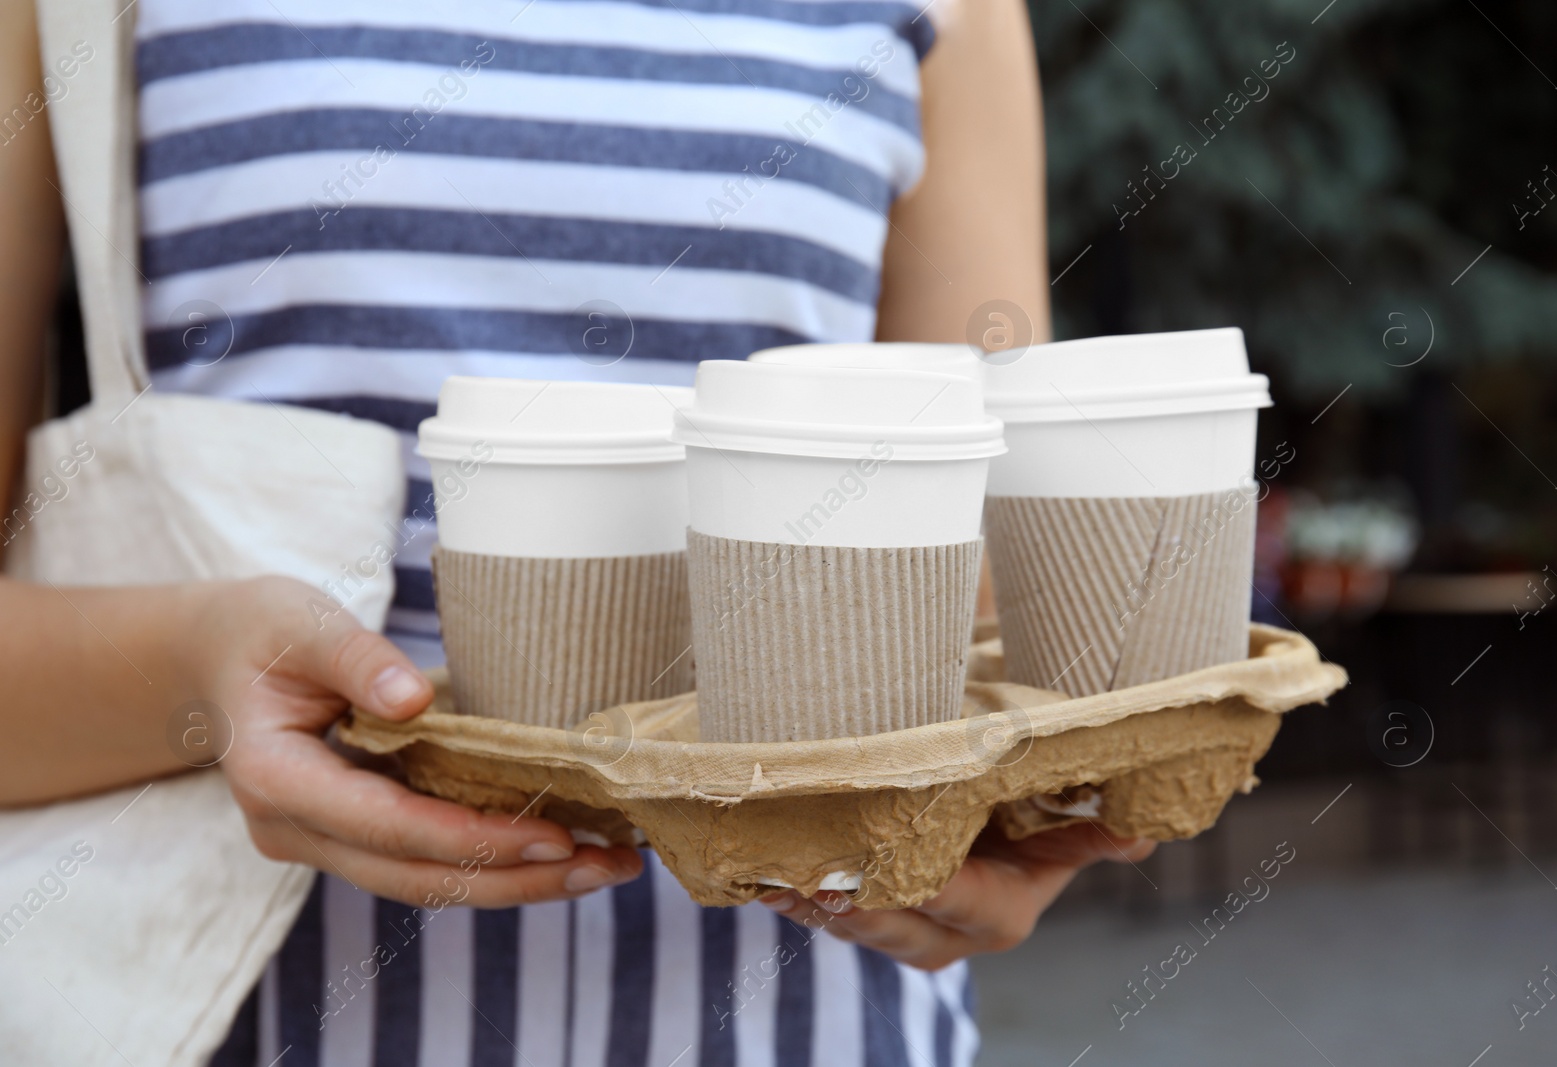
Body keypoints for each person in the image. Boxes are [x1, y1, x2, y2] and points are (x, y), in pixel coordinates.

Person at [0, 0, 1153, 1063]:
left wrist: (1022, 811)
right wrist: (195, 672)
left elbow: (980, 611)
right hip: (238, 1012)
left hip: (813, 1019)